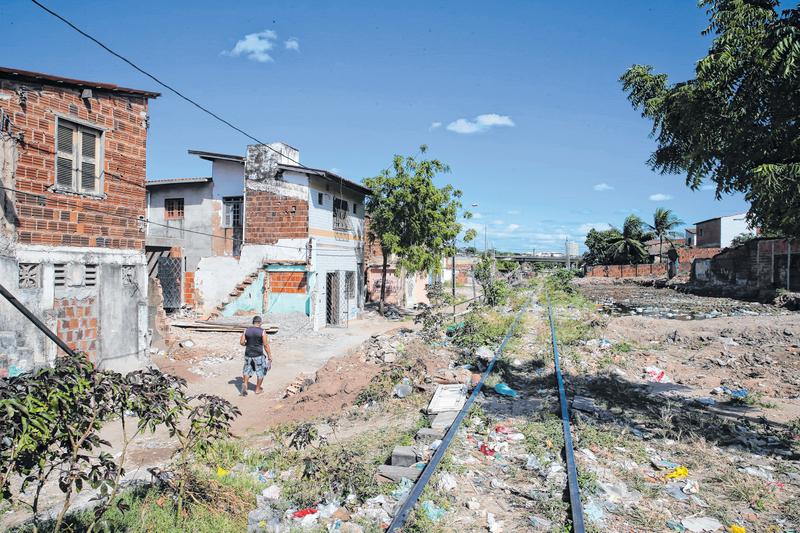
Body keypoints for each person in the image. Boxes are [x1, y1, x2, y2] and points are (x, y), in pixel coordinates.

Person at [239, 315, 271, 396]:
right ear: (260, 323)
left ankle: (245, 385)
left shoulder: (246, 330)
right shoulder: (262, 331)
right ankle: (257, 389)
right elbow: (265, 345)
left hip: (248, 354)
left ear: (253, 322)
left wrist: (248, 344)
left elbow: (242, 342)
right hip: (258, 355)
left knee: (246, 371)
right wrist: (269, 356)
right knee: (260, 372)